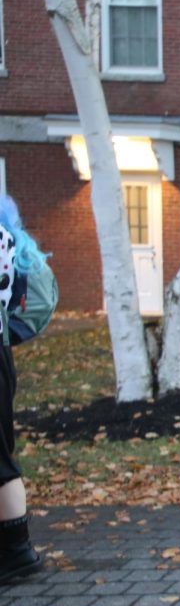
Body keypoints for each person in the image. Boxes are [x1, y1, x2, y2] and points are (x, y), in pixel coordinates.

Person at [0, 195, 51, 584]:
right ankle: (18, 552)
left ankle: (17, 554)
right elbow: (34, 298)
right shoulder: (9, 238)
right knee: (3, 457)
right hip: (1, 354)